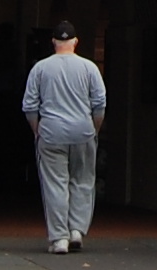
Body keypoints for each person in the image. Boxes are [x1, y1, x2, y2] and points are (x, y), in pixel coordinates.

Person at [21, 19, 109, 254]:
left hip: (51, 132)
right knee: (82, 180)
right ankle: (77, 231)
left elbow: (30, 106)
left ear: (53, 42)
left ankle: (59, 238)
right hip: (83, 131)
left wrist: (37, 130)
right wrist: (94, 129)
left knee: (55, 184)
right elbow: (99, 104)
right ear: (75, 42)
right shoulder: (89, 68)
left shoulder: (40, 68)